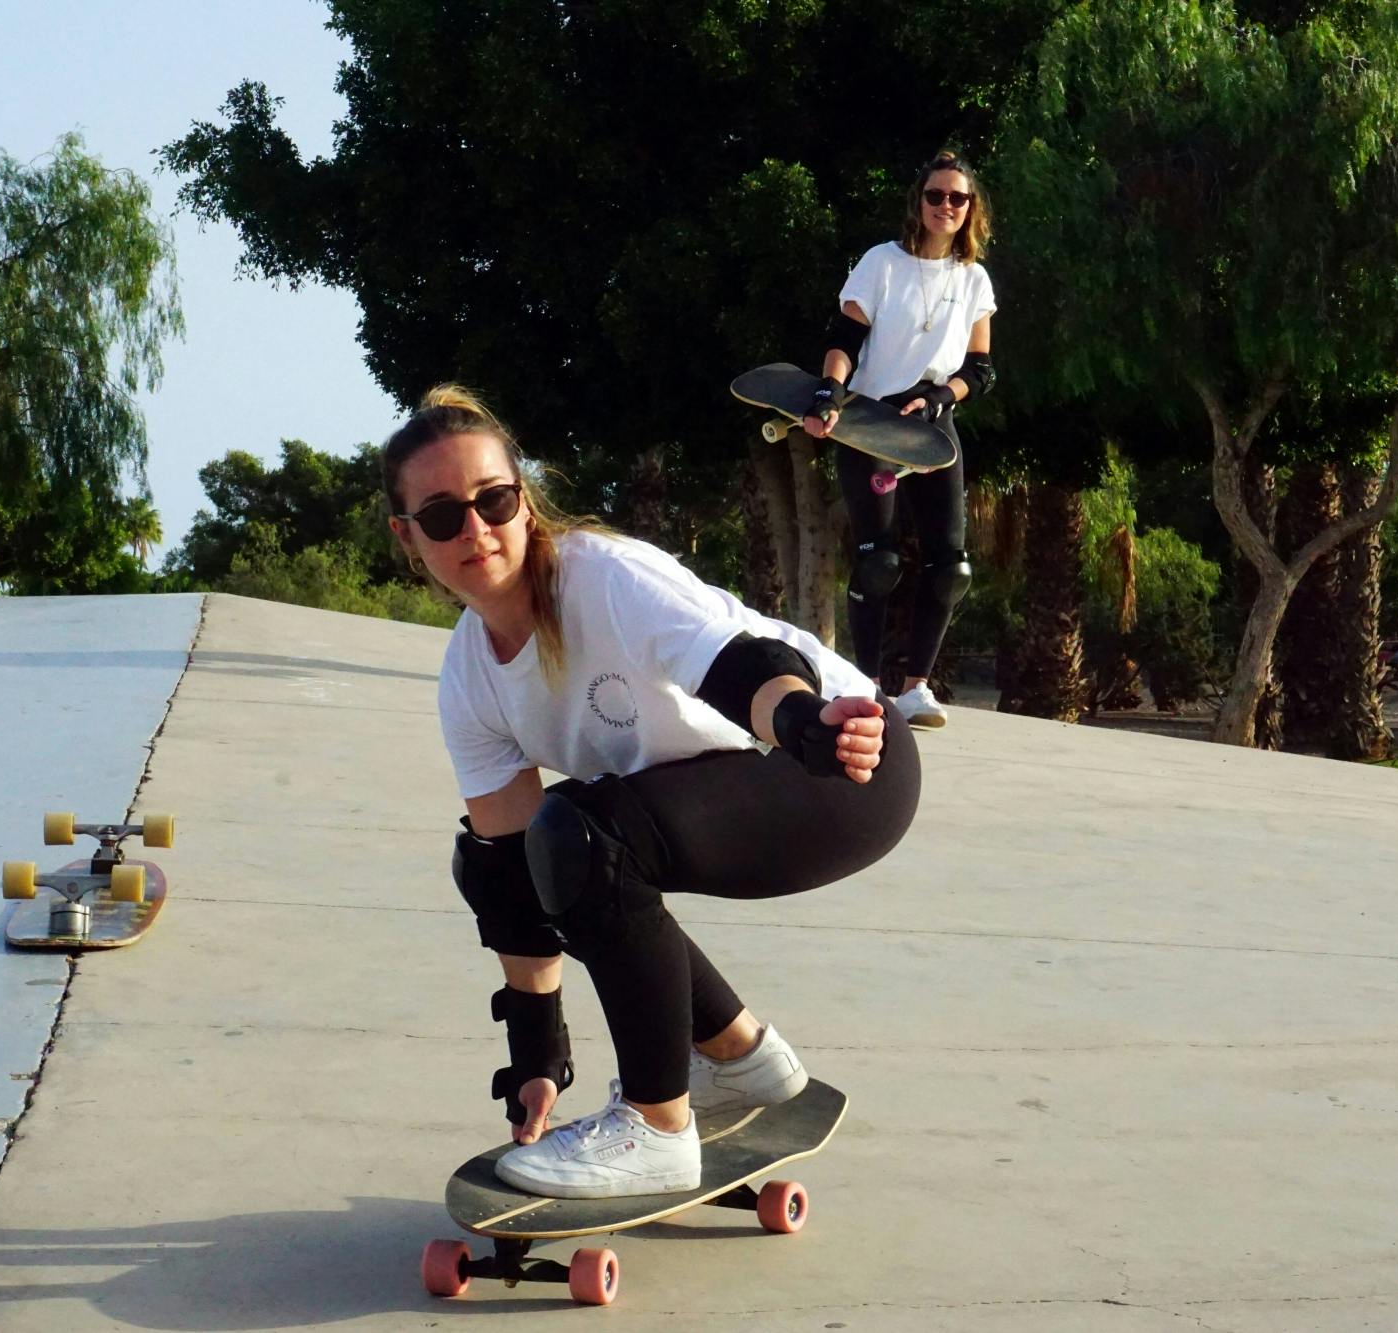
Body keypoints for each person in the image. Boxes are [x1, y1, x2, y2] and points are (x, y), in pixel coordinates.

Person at [386, 385, 921, 1199]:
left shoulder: (603, 577)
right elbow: (512, 881)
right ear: (406, 536)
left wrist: (809, 723)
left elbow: (740, 665)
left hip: (843, 762)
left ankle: (658, 1126)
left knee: (586, 834)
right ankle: (741, 1059)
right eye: (442, 516)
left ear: (523, 499)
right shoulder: (467, 680)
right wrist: (535, 1051)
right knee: (550, 849)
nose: (476, 529)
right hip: (755, 777)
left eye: (494, 500)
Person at [804, 150, 997, 728]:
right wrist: (828, 394)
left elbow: (981, 370)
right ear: (919, 202)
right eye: (935, 195)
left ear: (971, 209)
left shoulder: (974, 278)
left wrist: (943, 396)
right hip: (871, 420)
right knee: (878, 560)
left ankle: (916, 688)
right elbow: (844, 339)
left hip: (932, 425)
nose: (945, 206)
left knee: (951, 566)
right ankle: (863, 683)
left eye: (957, 198)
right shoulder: (880, 263)